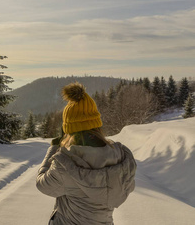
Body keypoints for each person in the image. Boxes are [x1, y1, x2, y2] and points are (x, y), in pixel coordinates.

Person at [36, 82, 136, 225]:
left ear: (69, 130)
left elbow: (42, 185)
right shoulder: (119, 156)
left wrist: (54, 148)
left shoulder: (66, 163)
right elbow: (127, 187)